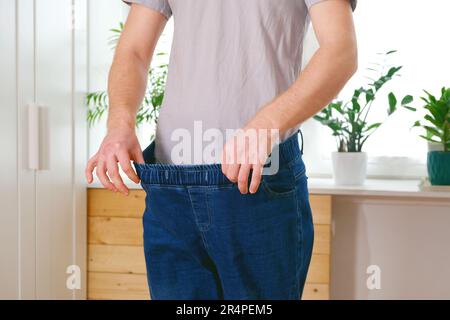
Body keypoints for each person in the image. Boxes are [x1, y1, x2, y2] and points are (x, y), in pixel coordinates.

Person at [86, 0, 357, 300]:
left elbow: (340, 52)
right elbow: (133, 50)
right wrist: (119, 123)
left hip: (257, 181)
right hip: (171, 187)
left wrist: (266, 124)